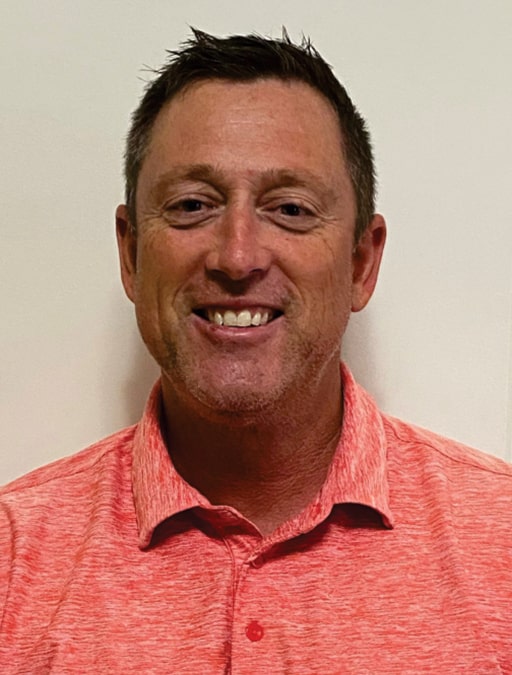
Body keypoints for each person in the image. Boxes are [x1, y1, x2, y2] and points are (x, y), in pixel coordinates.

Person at [0, 28, 510, 673]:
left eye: (290, 209)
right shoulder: (13, 559)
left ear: (361, 262)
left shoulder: (500, 546)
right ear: (130, 254)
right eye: (192, 205)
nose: (237, 256)